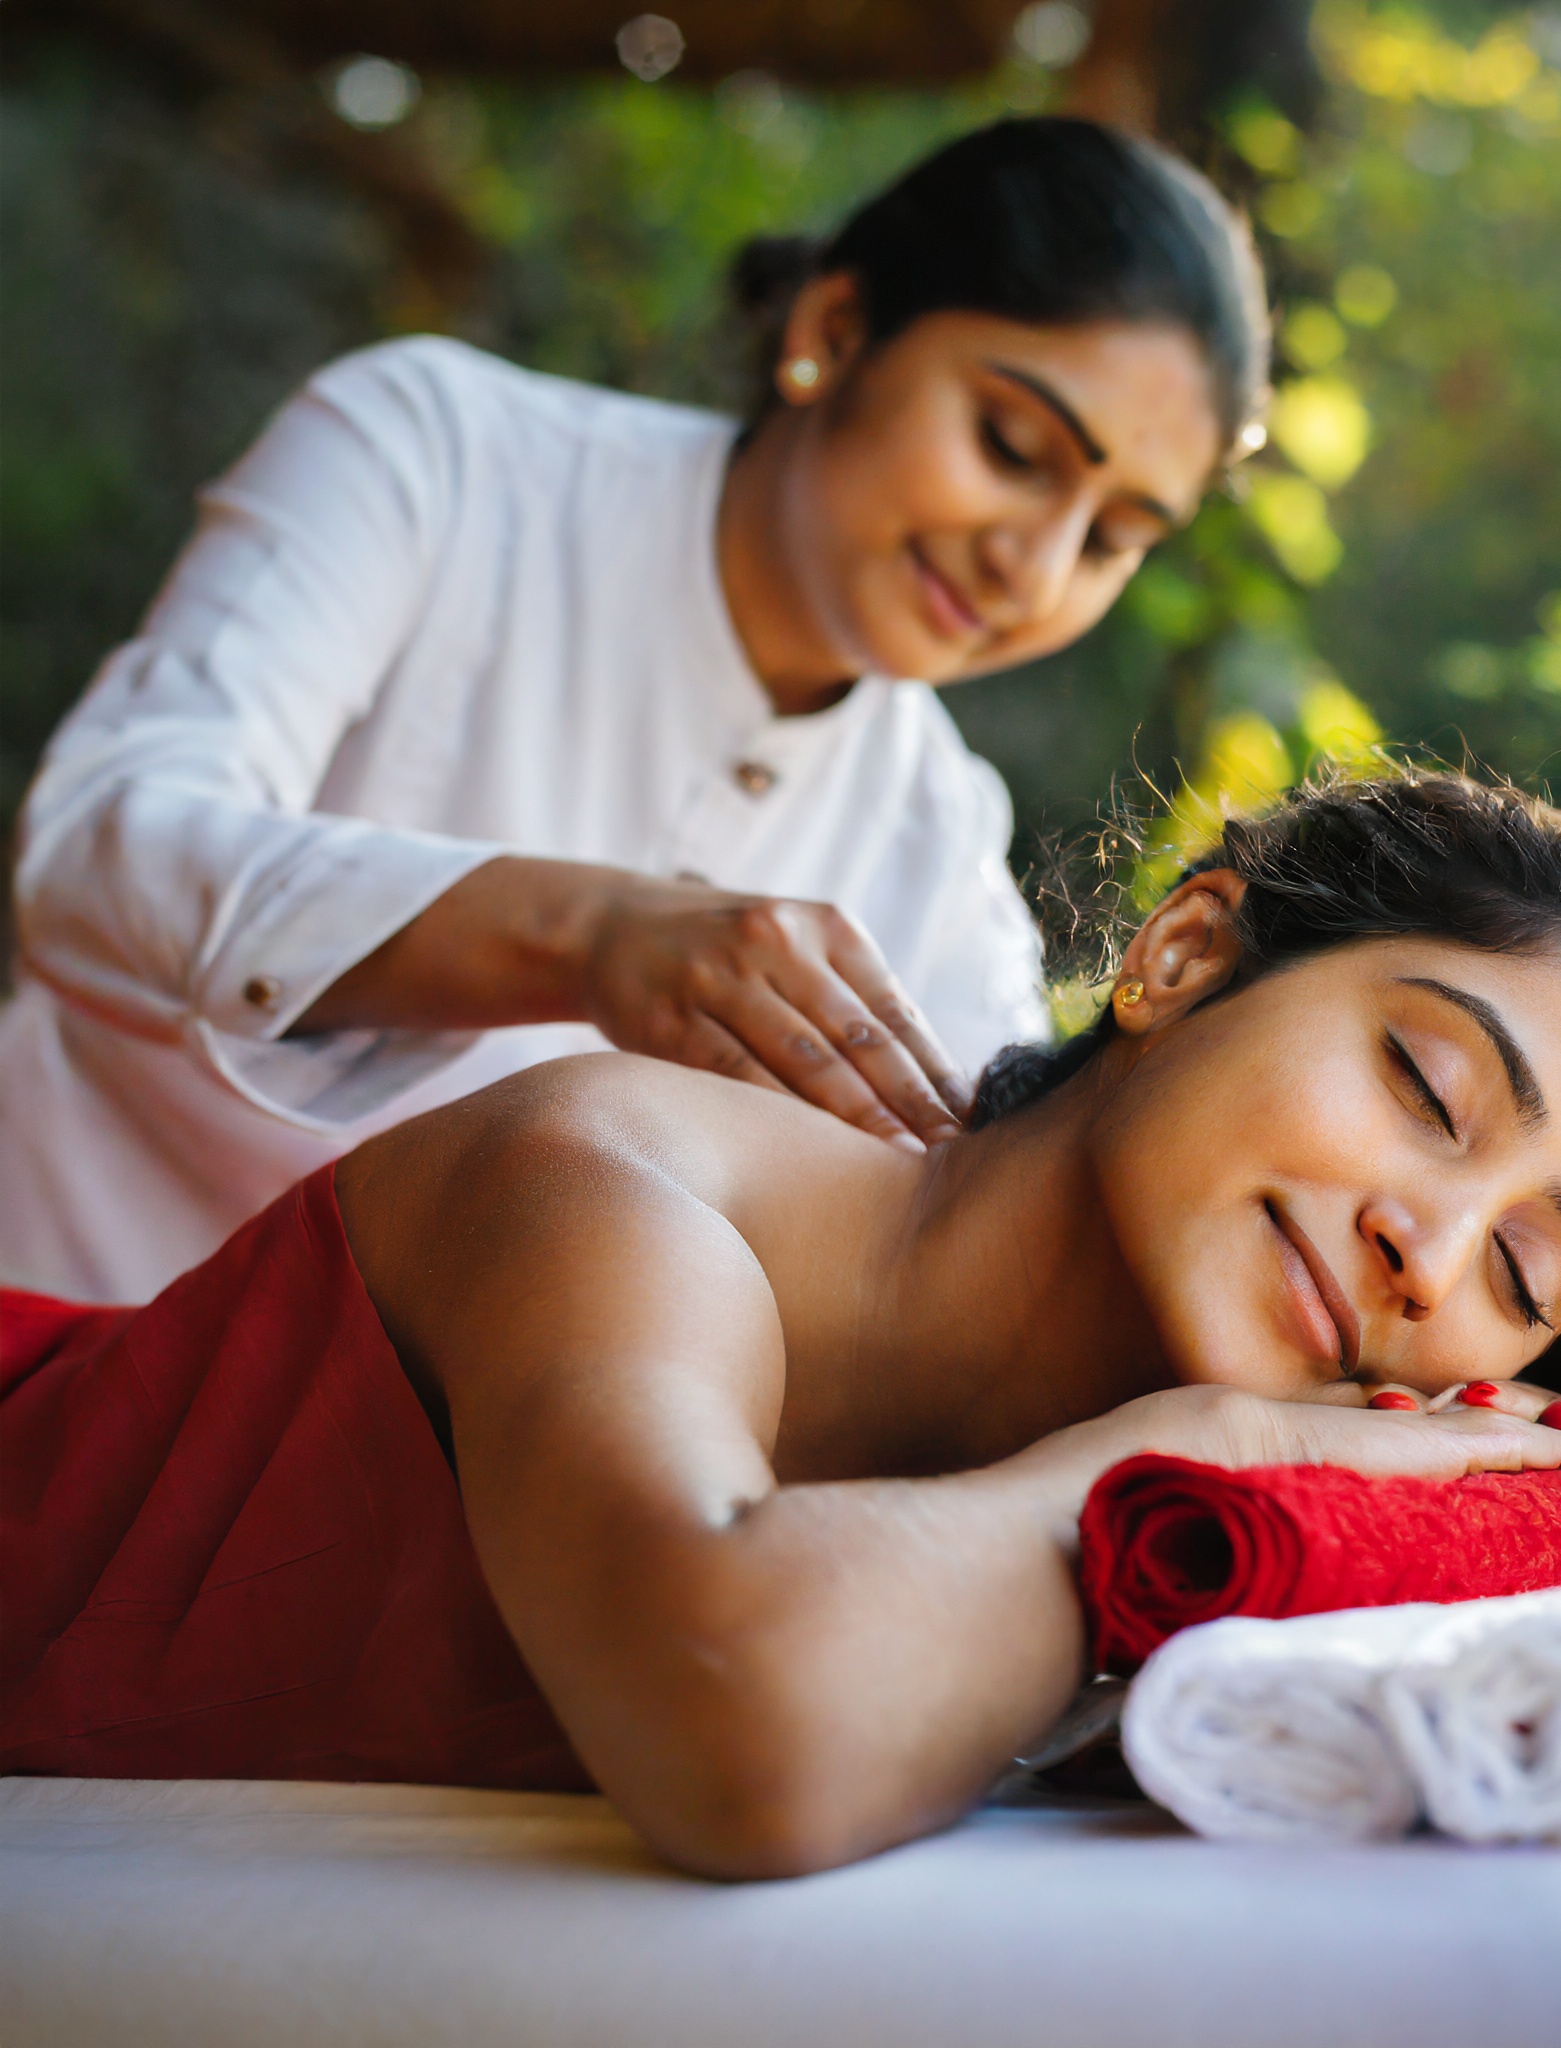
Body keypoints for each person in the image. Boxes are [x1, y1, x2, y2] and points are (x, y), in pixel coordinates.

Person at [2, 774, 1561, 1877]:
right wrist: (1231, 1456)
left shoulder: (1233, 1545)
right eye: (1427, 1089)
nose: (1427, 1244)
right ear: (1183, 953)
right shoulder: (624, 1178)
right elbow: (739, 1716)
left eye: (1524, 1274)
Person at [0, 117, 1267, 1300]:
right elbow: (89, 851)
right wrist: (585, 932)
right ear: (831, 326)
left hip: (368, 1516)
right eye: (1008, 443)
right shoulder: (435, 453)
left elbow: (994, 1221)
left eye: (1110, 537)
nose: (1033, 568)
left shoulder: (931, 835)